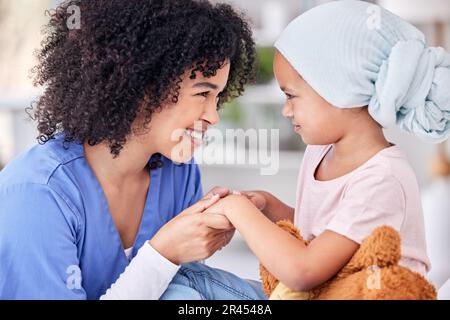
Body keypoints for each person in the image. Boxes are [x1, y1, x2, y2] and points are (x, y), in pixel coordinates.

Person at [163, 0, 450, 298]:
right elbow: (326, 236)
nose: (286, 110)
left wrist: (239, 211)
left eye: (291, 96)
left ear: (340, 90)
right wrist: (269, 206)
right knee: (188, 281)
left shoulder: (382, 179)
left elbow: (304, 272)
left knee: (195, 288)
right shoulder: (321, 152)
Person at [0, 0, 263, 300]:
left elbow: (178, 293)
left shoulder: (180, 174)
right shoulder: (36, 194)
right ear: (143, 83)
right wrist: (163, 253)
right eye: (203, 93)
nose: (213, 116)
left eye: (218, 98)